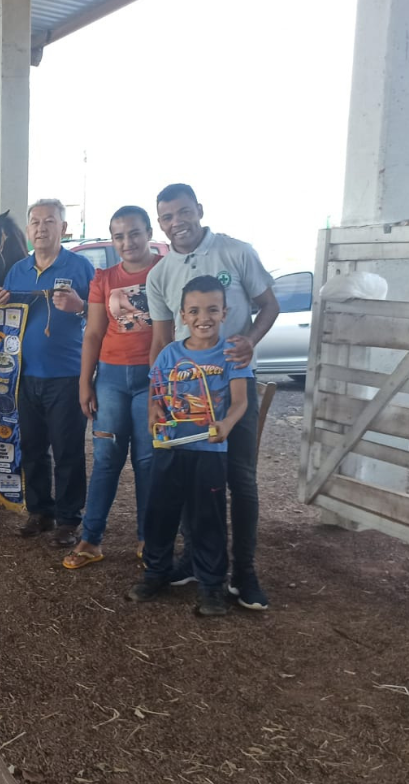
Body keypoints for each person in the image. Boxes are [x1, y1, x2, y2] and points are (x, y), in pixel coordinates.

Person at [146, 183, 279, 611]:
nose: (176, 223)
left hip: (232, 385)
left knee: (240, 479)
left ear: (199, 210)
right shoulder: (160, 274)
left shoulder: (236, 252)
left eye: (183, 212)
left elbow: (269, 305)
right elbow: (163, 339)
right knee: (189, 478)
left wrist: (249, 342)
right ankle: (193, 562)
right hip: (184, 397)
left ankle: (244, 572)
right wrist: (153, 396)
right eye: (166, 217)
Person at [128, 276, 252, 617]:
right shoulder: (170, 354)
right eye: (194, 310)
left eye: (212, 309)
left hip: (210, 452)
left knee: (208, 518)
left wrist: (225, 425)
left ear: (224, 312)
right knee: (160, 513)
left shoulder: (232, 355)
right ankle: (156, 573)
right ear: (182, 315)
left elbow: (240, 402)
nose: (203, 318)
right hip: (169, 448)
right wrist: (154, 411)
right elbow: (156, 394)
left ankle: (211, 586)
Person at [0, 198, 95, 547]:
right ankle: (39, 511)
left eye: (49, 221)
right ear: (28, 229)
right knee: (32, 447)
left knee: (67, 450)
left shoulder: (80, 267)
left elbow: (99, 318)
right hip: (23, 374)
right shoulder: (17, 271)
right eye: (34, 222)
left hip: (67, 375)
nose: (41, 228)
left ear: (63, 228)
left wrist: (80, 307)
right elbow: (4, 319)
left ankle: (68, 518)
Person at [63, 206, 164, 570]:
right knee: (106, 459)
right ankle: (91, 540)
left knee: (147, 461)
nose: (127, 242)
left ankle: (148, 539)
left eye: (134, 233)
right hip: (109, 377)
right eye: (119, 235)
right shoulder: (104, 277)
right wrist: (84, 383)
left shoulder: (165, 271)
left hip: (151, 379)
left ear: (149, 232)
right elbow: (92, 332)